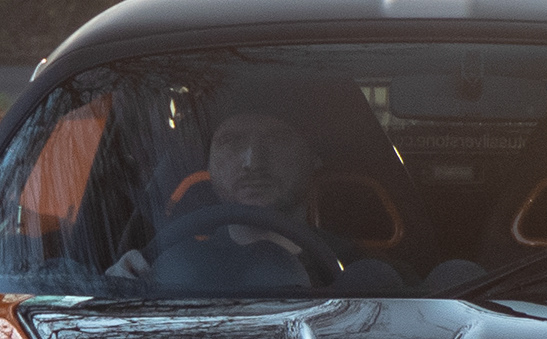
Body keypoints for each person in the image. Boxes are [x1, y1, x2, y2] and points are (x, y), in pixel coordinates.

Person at [112, 110, 381, 290]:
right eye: (232, 141)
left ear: (314, 156)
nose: (252, 162)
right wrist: (115, 288)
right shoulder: (162, 270)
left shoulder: (364, 274)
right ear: (209, 163)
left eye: (277, 139)